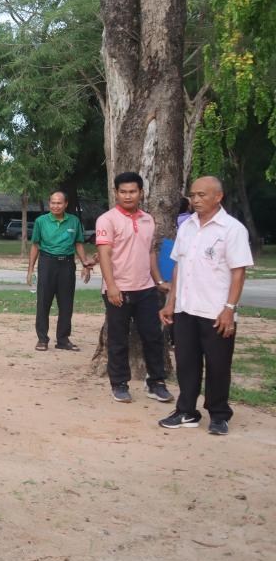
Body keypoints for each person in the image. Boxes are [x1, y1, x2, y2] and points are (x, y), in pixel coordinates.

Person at [158, 176, 253, 436]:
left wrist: (229, 309)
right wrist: (170, 302)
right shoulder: (187, 227)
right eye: (193, 195)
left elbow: (238, 272)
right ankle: (186, 410)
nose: (196, 200)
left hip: (216, 312)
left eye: (202, 195)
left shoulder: (232, 229)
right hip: (185, 309)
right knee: (186, 364)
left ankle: (219, 414)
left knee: (218, 365)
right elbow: (179, 265)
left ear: (218, 197)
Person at [94, 172, 174, 404]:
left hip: (146, 289)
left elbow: (150, 252)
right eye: (123, 192)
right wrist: (112, 287)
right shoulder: (106, 220)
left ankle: (156, 383)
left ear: (141, 193)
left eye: (133, 191)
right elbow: (104, 253)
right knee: (118, 339)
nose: (128, 196)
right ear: (116, 193)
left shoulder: (148, 219)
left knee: (153, 337)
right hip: (119, 290)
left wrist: (158, 281)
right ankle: (119, 384)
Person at [26, 191, 94, 351]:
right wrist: (30, 270)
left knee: (66, 304)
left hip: (67, 265)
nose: (55, 206)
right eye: (53, 203)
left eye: (59, 203)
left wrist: (85, 264)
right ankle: (42, 339)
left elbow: (78, 243)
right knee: (43, 302)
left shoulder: (74, 221)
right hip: (47, 263)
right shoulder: (41, 221)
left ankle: (63, 339)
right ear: (49, 203)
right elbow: (35, 245)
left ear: (66, 204)